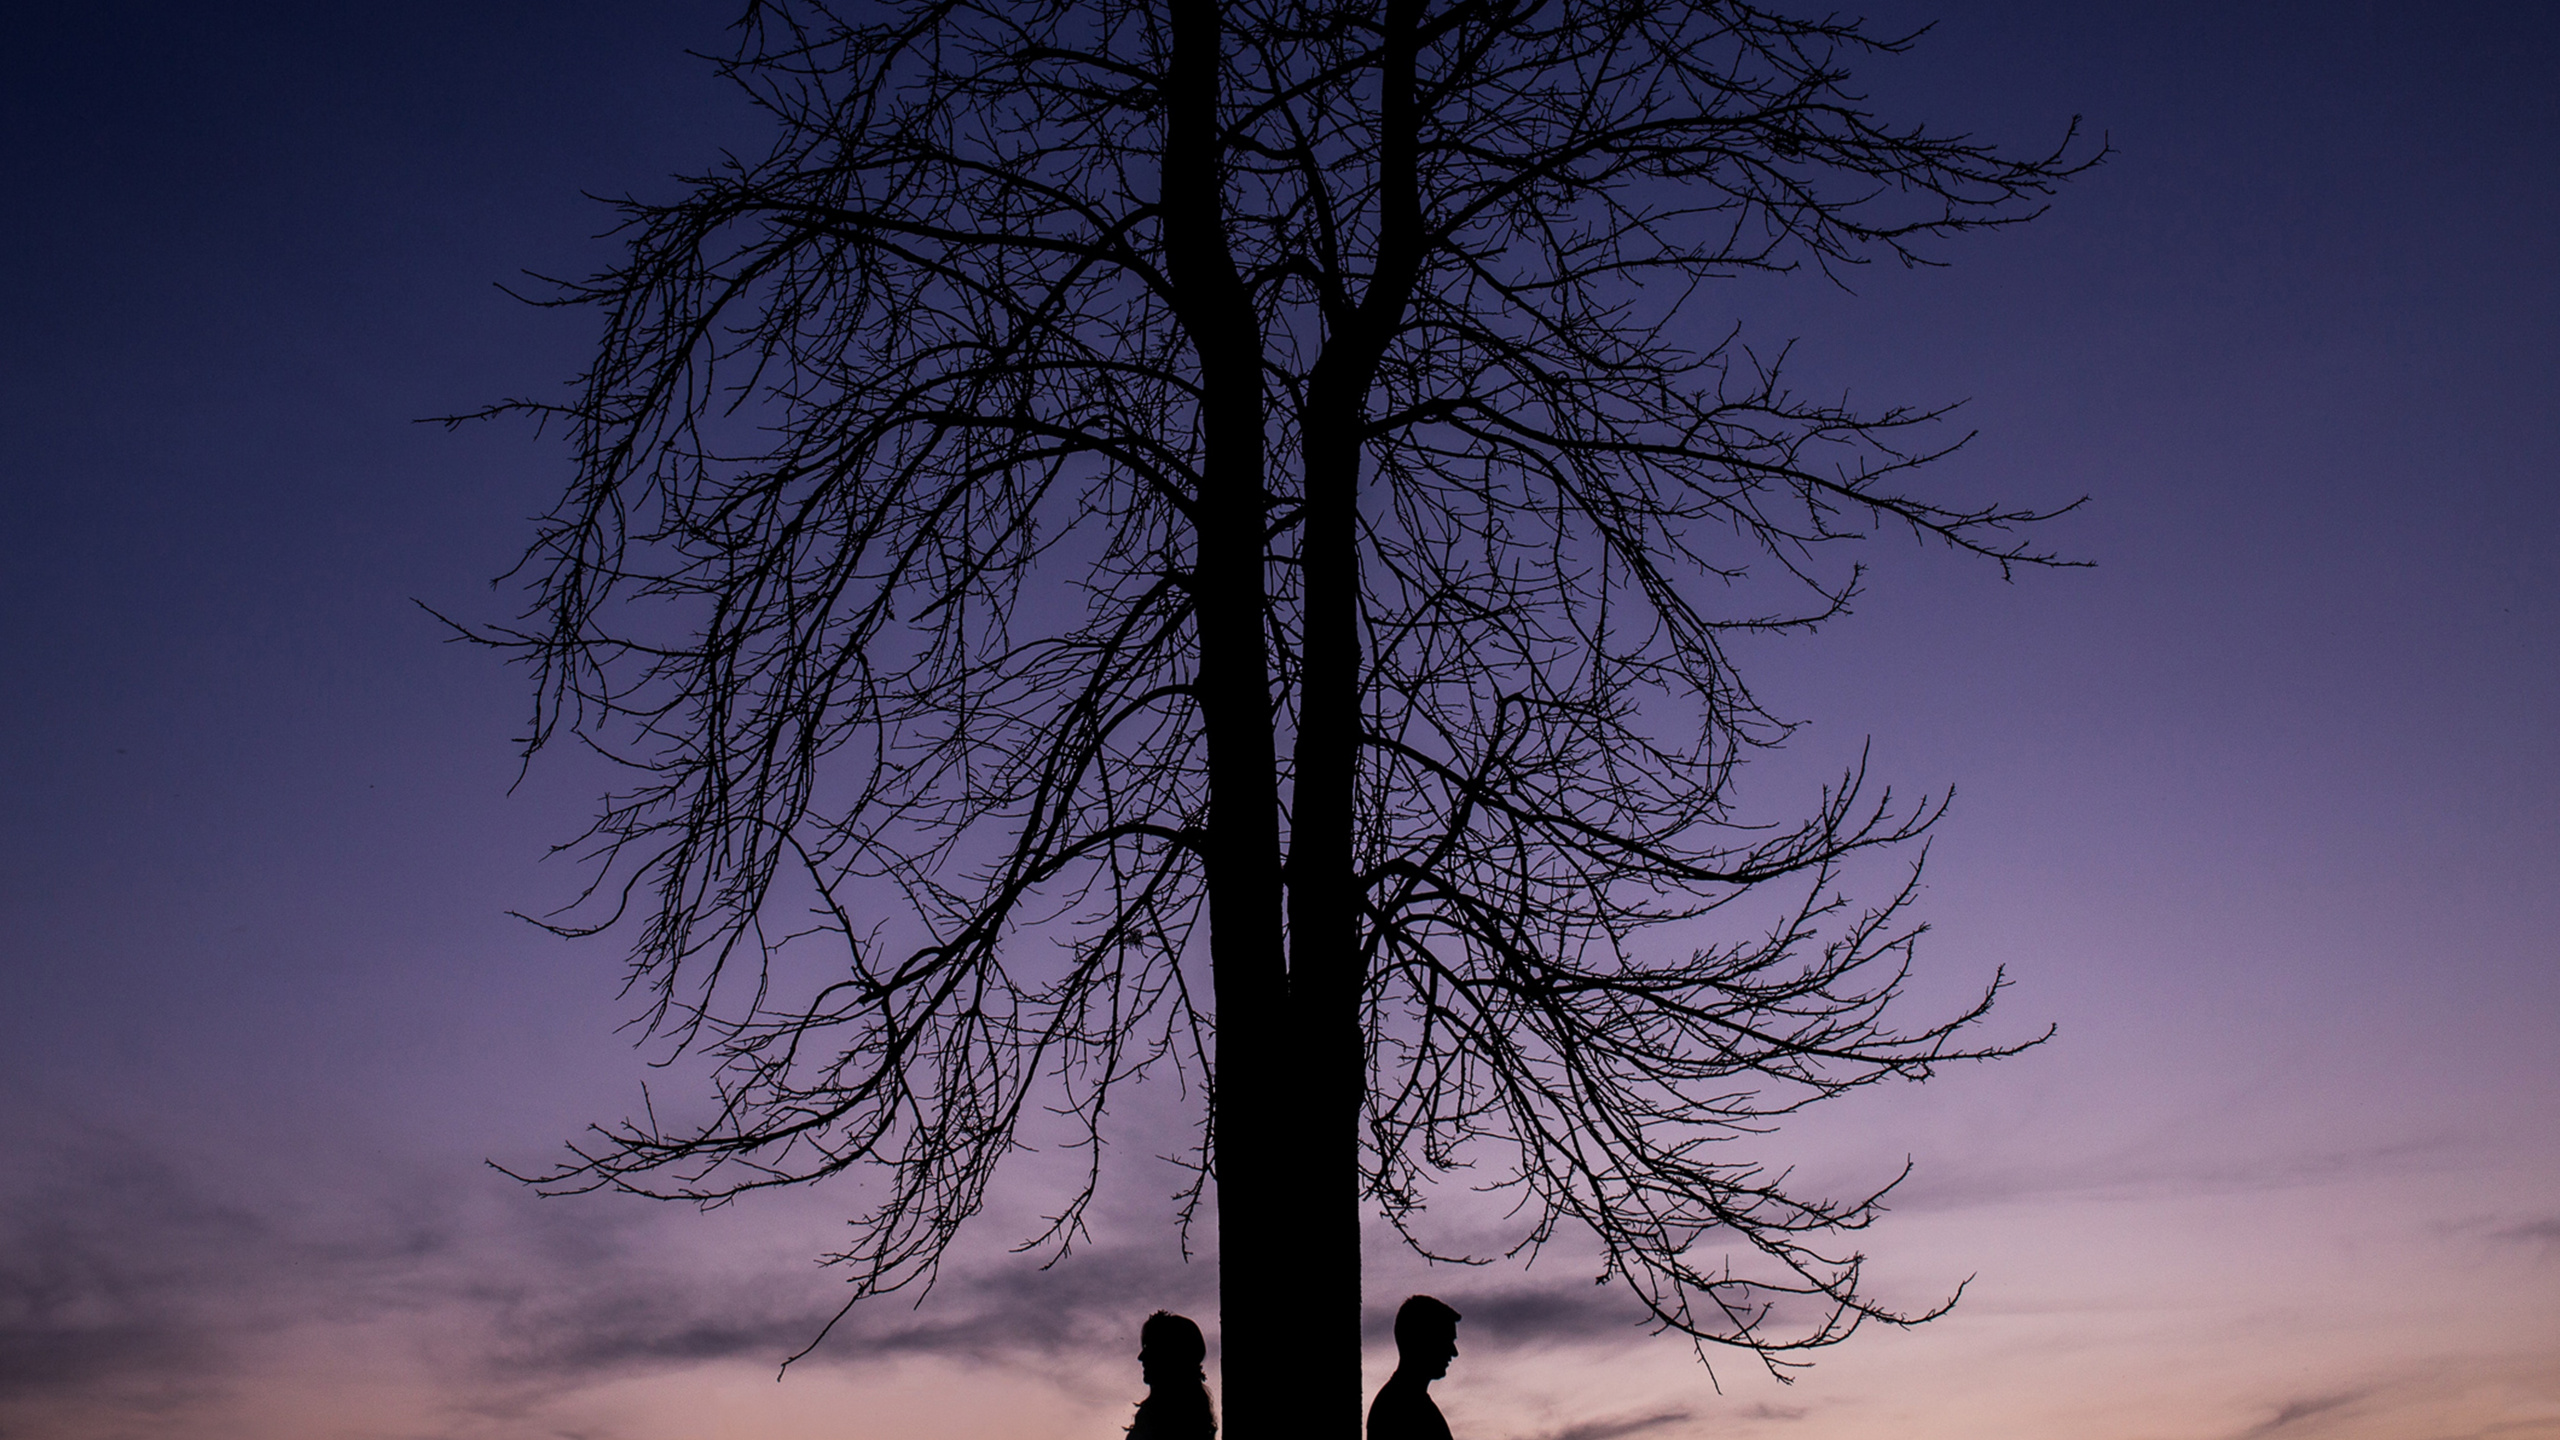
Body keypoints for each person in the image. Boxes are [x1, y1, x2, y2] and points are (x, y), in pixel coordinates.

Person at [1367, 1295, 1462, 1440]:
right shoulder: (1398, 1407)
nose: (1454, 1352)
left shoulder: (1407, 1403)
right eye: (1446, 1341)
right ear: (1424, 1340)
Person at [1127, 1310, 1216, 1440]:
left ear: (1170, 1353)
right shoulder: (1191, 1414)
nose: (1141, 1357)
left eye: (1150, 1347)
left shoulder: (1166, 1418)